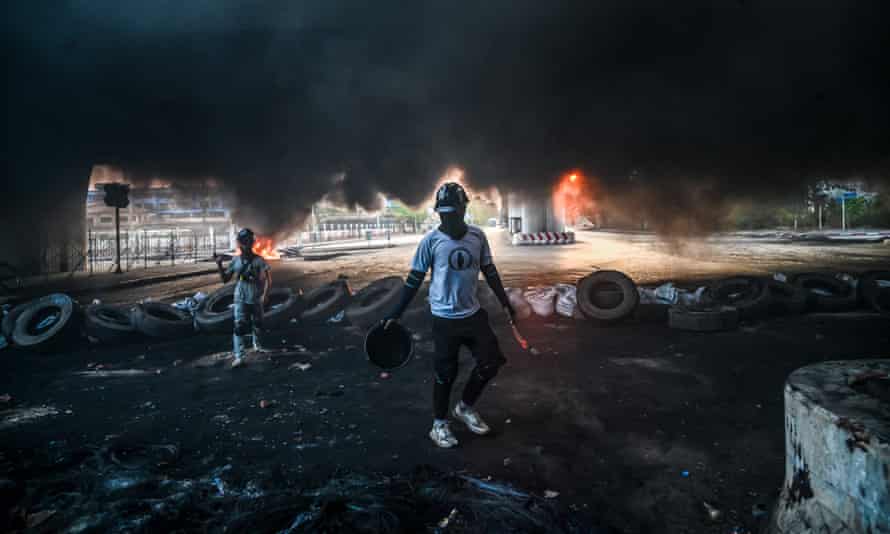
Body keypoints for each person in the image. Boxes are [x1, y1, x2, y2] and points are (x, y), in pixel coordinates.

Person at [384, 182, 515, 448]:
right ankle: (439, 425)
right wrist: (394, 314)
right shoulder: (430, 242)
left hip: (473, 314)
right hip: (444, 318)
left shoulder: (478, 237)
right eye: (444, 213)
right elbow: (413, 281)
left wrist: (505, 302)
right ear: (438, 213)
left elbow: (489, 270)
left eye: (453, 212)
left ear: (464, 209)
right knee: (446, 373)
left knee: (491, 362)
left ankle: (464, 408)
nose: (449, 218)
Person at [215, 228, 272, 368]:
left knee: (258, 323)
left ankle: (257, 345)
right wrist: (219, 265)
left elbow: (269, 280)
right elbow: (225, 279)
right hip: (240, 296)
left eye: (248, 242)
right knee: (239, 326)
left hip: (256, 296)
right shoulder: (236, 261)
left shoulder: (259, 260)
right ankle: (239, 356)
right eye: (243, 242)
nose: (246, 245)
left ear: (251, 243)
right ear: (240, 244)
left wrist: (265, 295)